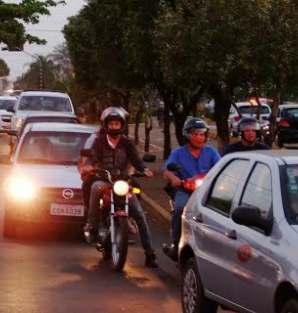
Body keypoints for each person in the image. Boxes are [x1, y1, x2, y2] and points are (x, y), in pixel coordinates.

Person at [79, 106, 158, 268]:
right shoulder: (99, 141)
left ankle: (150, 253)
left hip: (122, 182)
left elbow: (136, 160)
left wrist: (144, 170)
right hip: (104, 179)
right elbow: (91, 158)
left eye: (117, 123)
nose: (114, 126)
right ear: (105, 125)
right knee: (94, 188)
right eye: (111, 123)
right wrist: (90, 167)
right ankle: (92, 225)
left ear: (121, 125)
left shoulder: (127, 142)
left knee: (139, 213)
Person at [163, 117, 221, 260]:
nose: (199, 138)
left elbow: (221, 169)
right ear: (188, 136)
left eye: (202, 134)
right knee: (179, 208)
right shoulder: (178, 153)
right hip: (184, 190)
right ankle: (176, 244)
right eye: (195, 134)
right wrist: (174, 179)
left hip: (207, 191)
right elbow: (167, 171)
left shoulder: (211, 153)